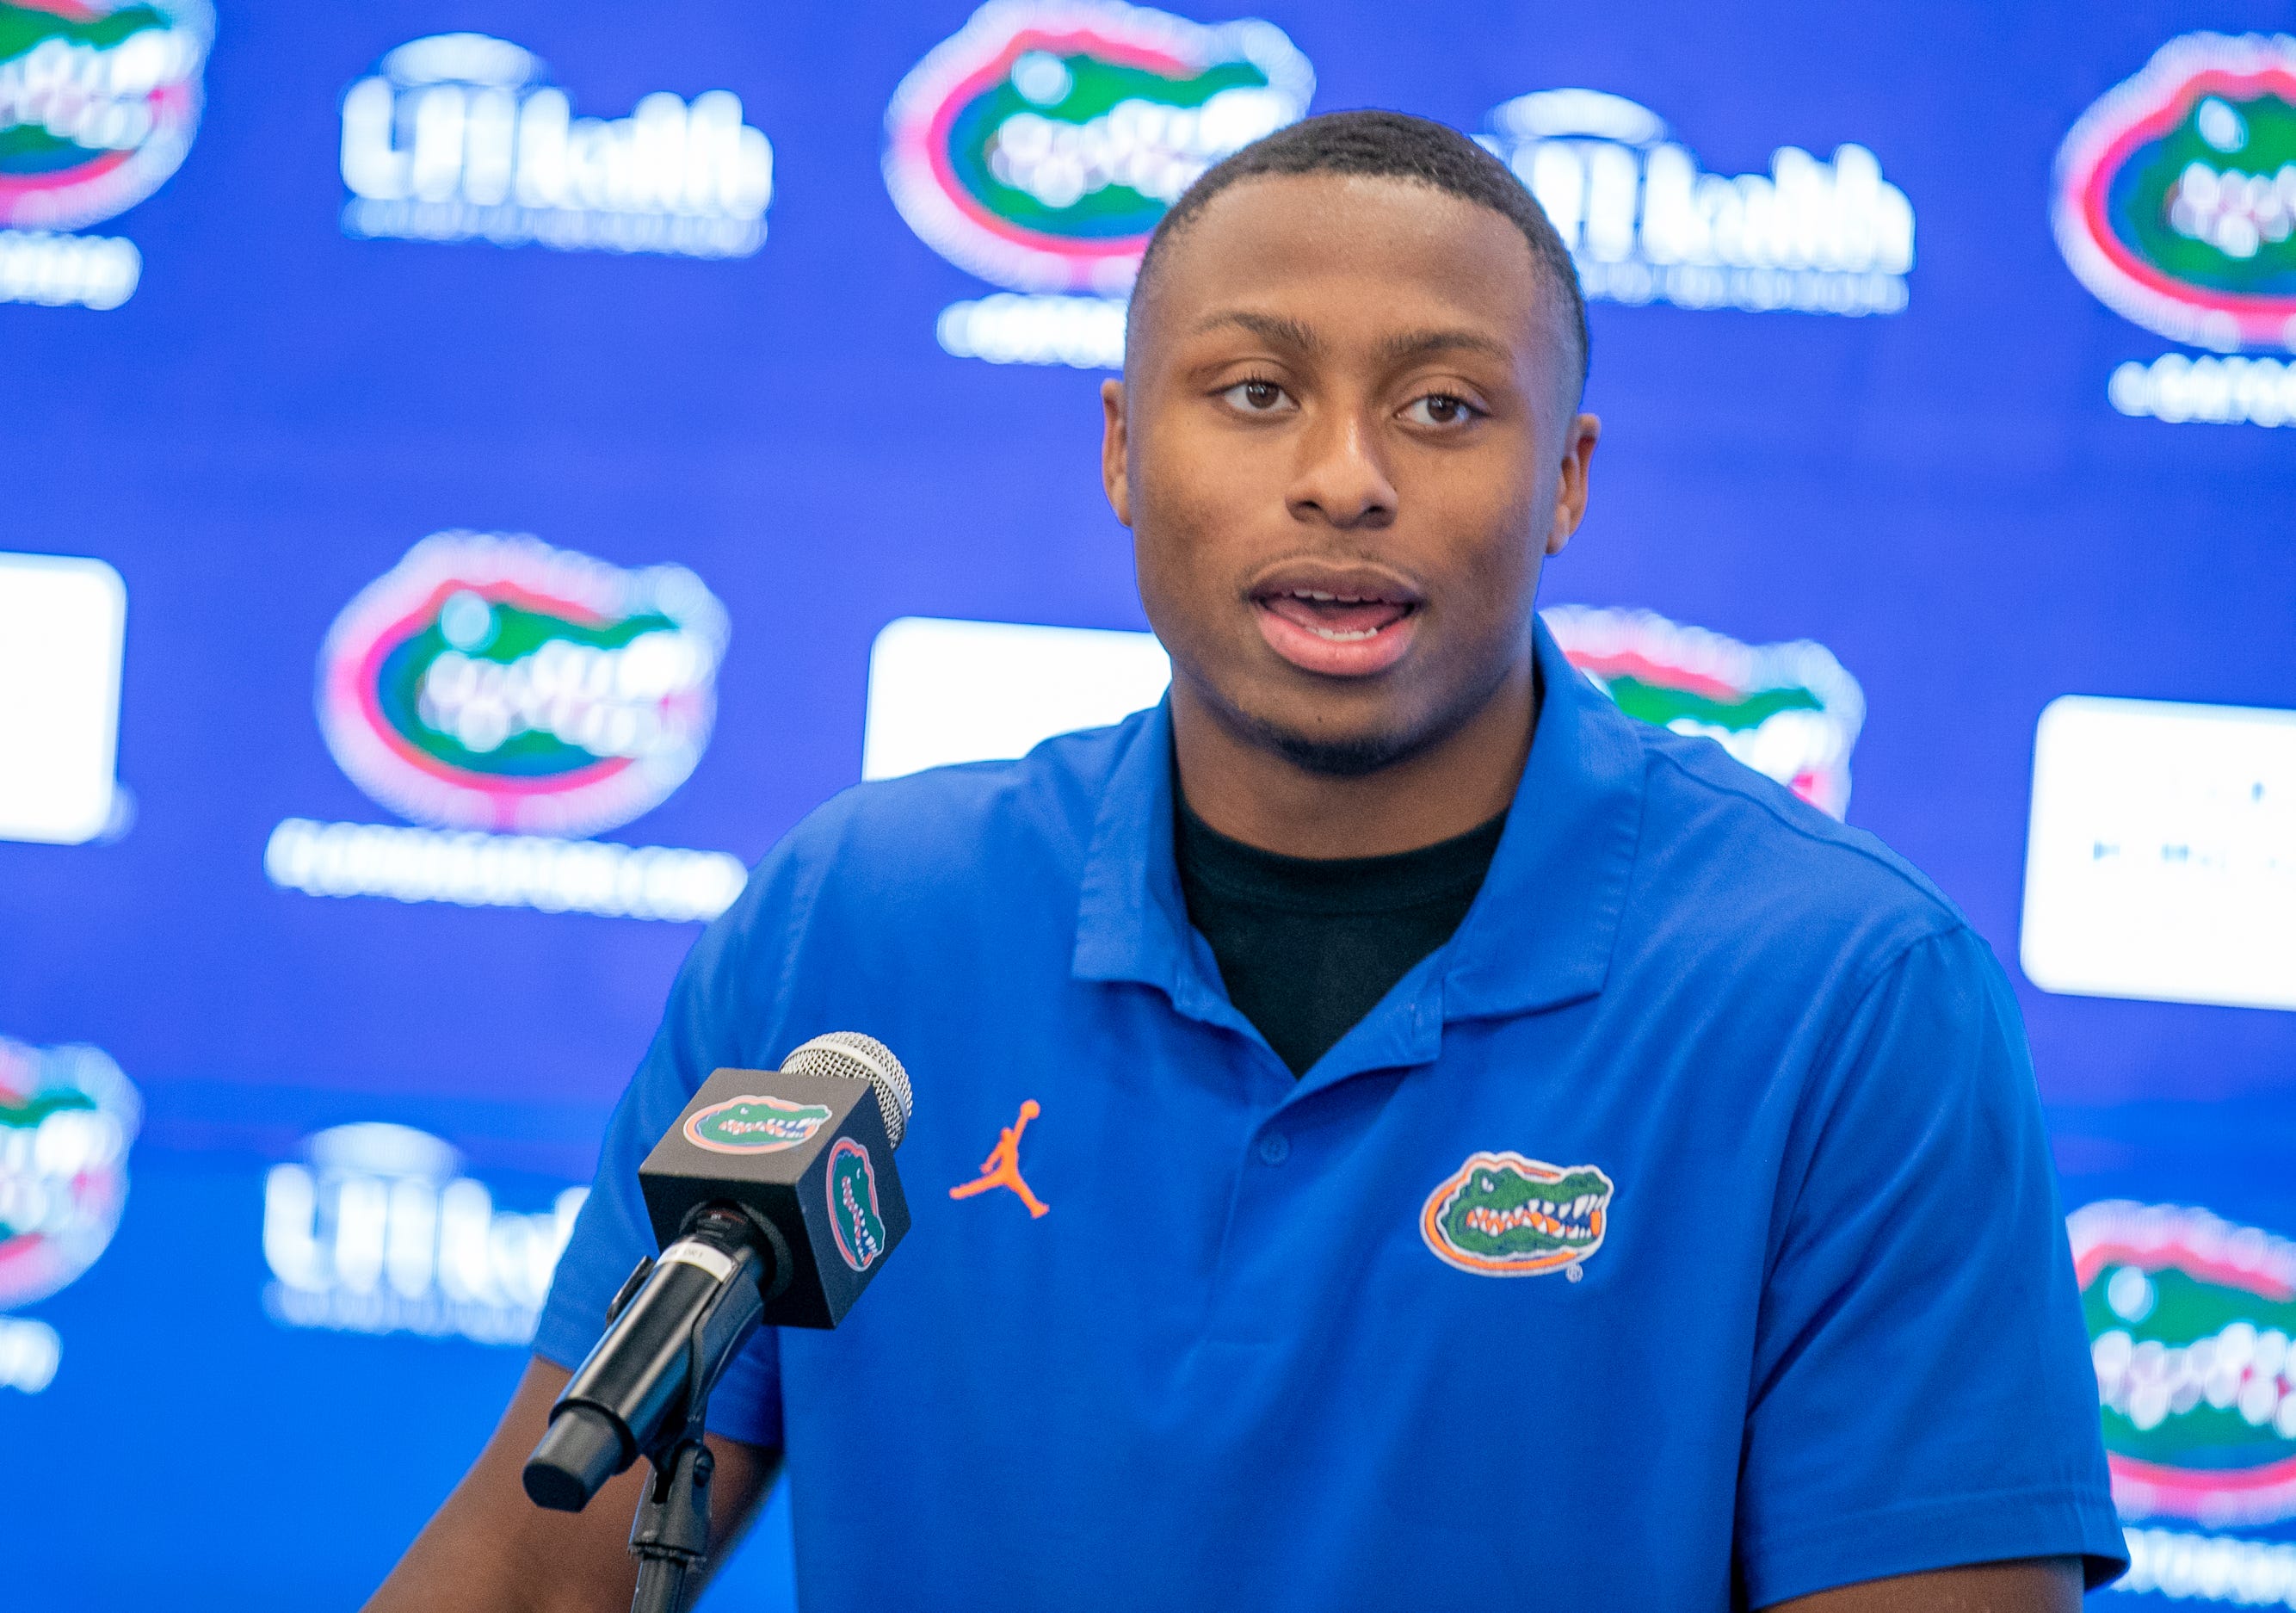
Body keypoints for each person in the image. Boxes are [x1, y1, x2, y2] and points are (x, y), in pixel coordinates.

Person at [369, 110, 2123, 1612]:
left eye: (1444, 407)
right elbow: (544, 1566)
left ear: (1566, 482)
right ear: (1124, 450)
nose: (1343, 479)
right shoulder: (853, 925)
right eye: (1257, 390)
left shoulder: (1844, 996)